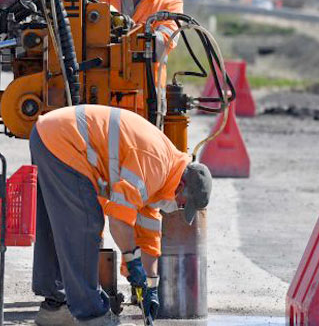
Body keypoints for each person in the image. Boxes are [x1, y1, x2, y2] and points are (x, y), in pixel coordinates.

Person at [31, 105, 212, 326]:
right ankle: (92, 314)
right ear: (182, 186)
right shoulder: (155, 164)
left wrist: (150, 288)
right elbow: (119, 220)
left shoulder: (162, 178)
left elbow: (148, 238)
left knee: (56, 223)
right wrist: (131, 260)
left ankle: (56, 306)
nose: (178, 208)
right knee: (87, 222)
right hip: (64, 140)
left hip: (50, 134)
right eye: (183, 203)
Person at [98, 0, 182, 123]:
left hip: (147, 103)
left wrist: (126, 29)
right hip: (102, 100)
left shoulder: (170, 2)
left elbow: (163, 45)